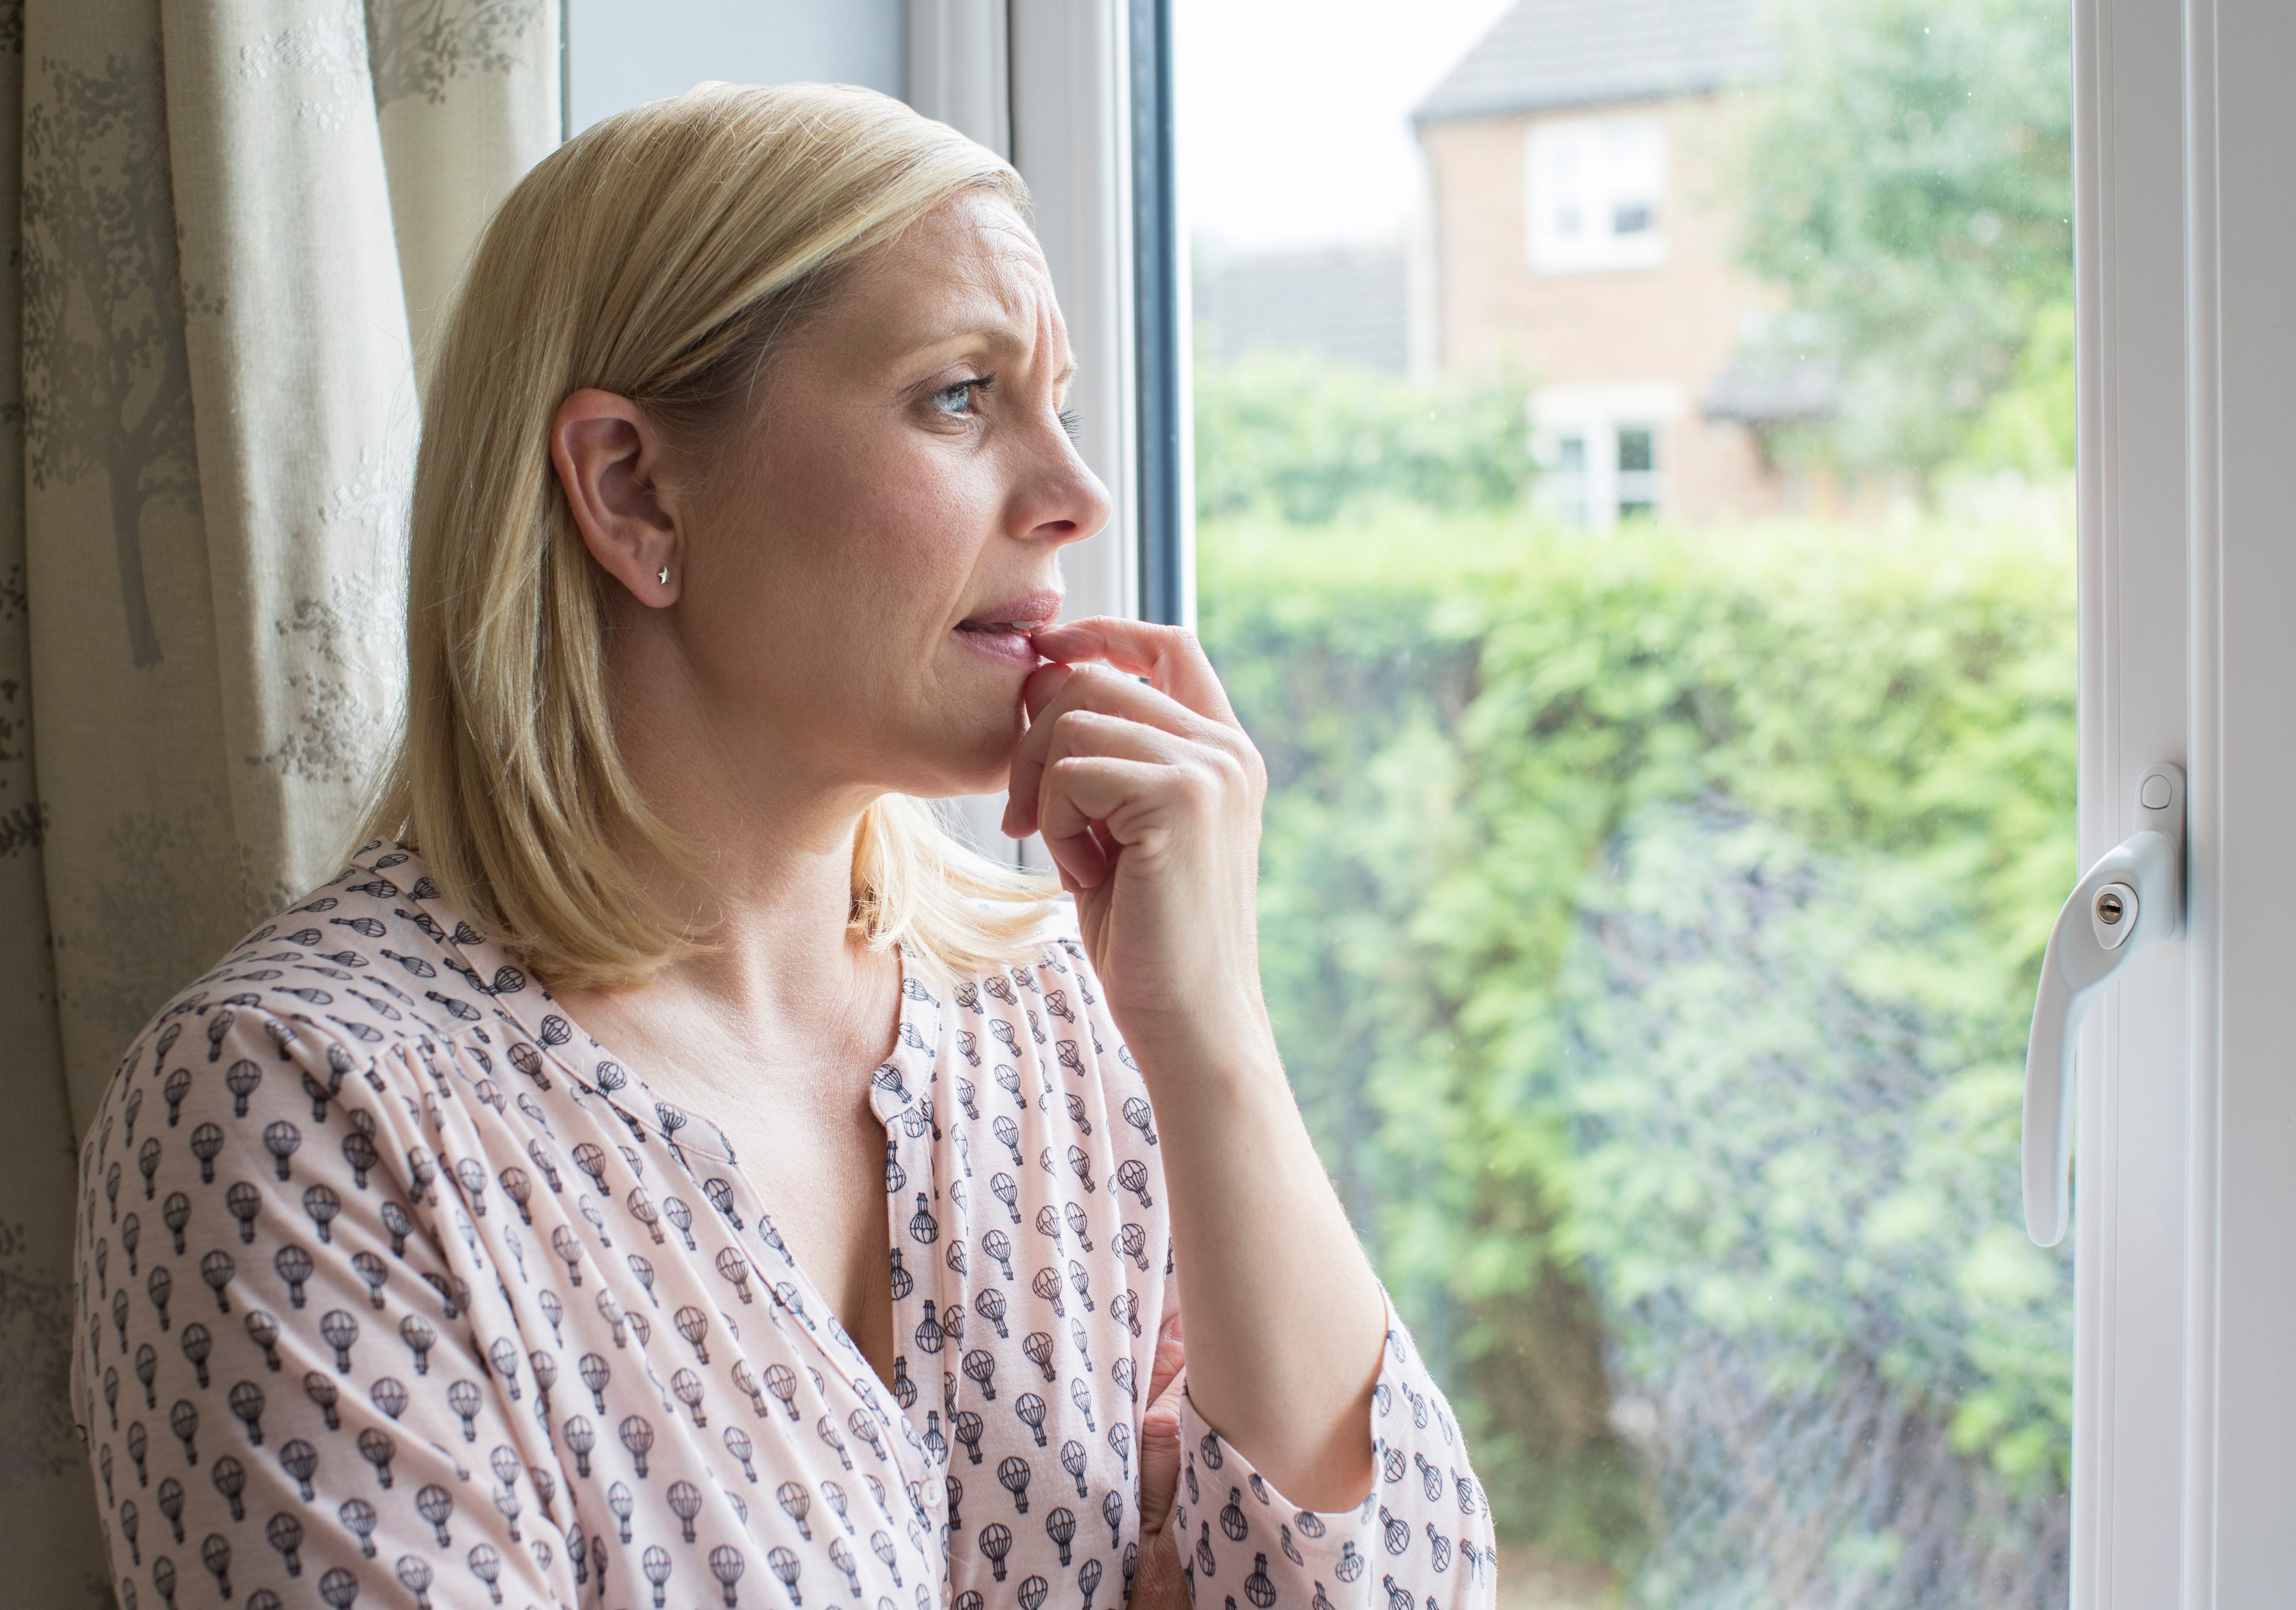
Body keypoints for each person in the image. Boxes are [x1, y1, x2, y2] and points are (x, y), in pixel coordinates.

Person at [69, 83, 1495, 1610]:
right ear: (632, 488)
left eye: (1058, 400)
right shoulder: (304, 1109)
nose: (1076, 496)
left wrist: (1214, 1032)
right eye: (961, 395)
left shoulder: (1067, 1030)